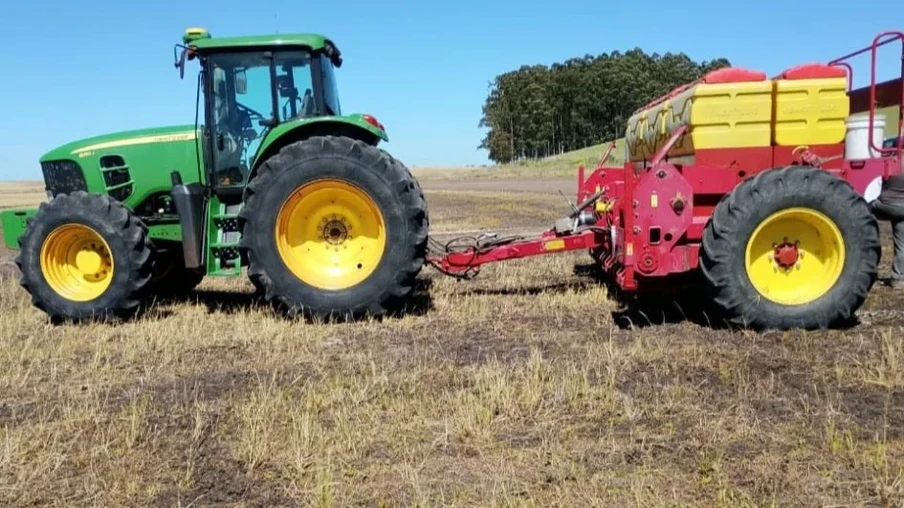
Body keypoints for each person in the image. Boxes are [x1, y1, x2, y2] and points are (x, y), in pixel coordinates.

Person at [871, 171, 904, 288]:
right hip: (902, 208)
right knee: (902, 244)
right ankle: (898, 279)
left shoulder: (892, 160)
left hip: (884, 206)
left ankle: (870, 276)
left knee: (865, 210)